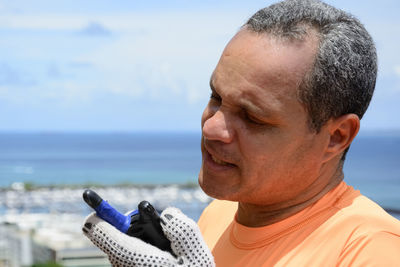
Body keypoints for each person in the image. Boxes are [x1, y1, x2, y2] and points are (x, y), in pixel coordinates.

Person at [82, 0, 400, 266]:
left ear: (337, 136)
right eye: (216, 98)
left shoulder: (373, 250)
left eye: (252, 117)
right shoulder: (219, 214)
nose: (211, 127)